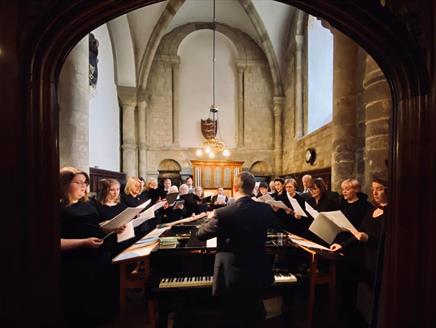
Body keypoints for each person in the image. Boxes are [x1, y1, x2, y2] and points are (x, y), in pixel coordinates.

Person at [197, 172, 276, 327]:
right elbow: (277, 228)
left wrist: (210, 218)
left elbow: (200, 235)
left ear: (234, 188)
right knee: (256, 312)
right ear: (253, 188)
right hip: (258, 270)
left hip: (231, 275)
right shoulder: (265, 209)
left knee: (232, 315)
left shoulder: (222, 213)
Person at [59, 167, 124, 326]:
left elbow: (94, 226)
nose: (84, 186)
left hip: (100, 257)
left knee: (102, 305)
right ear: (64, 184)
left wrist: (111, 227)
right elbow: (55, 242)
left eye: (85, 182)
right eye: (78, 182)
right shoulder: (59, 208)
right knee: (84, 312)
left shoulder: (87, 203)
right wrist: (83, 242)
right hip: (79, 263)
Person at [330, 175, 388, 327]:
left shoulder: (389, 212)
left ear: (388, 191)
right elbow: (359, 232)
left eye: (379, 189)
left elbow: (384, 240)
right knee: (361, 299)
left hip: (376, 259)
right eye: (373, 189)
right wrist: (342, 245)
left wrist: (367, 238)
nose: (375, 193)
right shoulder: (372, 210)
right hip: (364, 257)